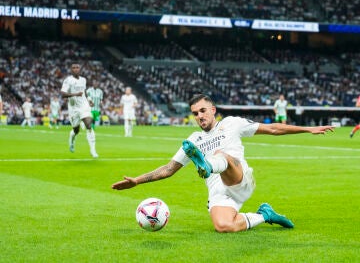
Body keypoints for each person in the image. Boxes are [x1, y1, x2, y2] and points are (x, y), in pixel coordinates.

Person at [112, 94, 334, 233]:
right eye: (195, 113)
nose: (199, 116)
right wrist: (137, 181)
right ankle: (266, 215)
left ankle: (209, 165)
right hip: (219, 192)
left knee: (223, 155)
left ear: (213, 110)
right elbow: (169, 169)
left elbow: (273, 128)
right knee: (223, 226)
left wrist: (307, 128)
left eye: (202, 111)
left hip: (239, 178)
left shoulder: (231, 124)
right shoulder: (193, 140)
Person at [60, 62, 98, 158]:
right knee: (76, 130)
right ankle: (72, 140)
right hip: (73, 108)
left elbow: (84, 92)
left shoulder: (83, 80)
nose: (76, 69)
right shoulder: (68, 80)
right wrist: (75, 94)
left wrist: (89, 100)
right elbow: (63, 94)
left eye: (77, 67)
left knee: (89, 124)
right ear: (71, 70)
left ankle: (93, 150)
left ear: (80, 69)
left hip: (84, 106)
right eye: (74, 68)